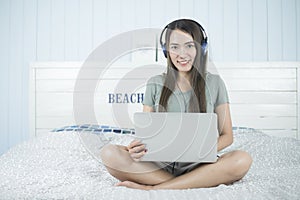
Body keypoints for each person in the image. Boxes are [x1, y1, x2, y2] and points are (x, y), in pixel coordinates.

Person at [100, 19, 252, 190]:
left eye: (189, 46)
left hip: (199, 164)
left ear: (201, 49)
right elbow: (146, 134)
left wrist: (198, 150)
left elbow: (227, 136)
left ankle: (156, 186)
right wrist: (134, 148)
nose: (182, 54)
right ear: (166, 51)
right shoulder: (155, 83)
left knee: (242, 160)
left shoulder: (215, 83)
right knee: (109, 153)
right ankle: (193, 181)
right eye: (174, 47)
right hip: (160, 164)